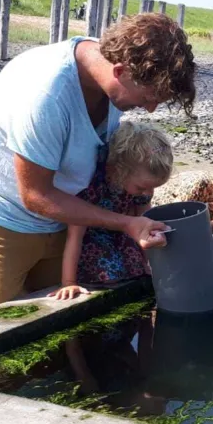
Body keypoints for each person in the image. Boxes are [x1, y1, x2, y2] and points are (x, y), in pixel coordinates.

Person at [0, 13, 196, 314]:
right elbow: (36, 196)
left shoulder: (107, 71)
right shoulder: (46, 96)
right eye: (149, 96)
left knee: (55, 328)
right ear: (120, 71)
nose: (151, 107)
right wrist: (127, 223)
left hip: (61, 219)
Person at [48, 121, 174, 301]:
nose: (147, 193)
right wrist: (68, 282)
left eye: (152, 188)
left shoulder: (140, 187)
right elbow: (74, 236)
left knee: (135, 267)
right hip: (92, 239)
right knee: (111, 267)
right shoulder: (90, 187)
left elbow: (146, 224)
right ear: (120, 170)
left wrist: (149, 264)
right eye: (142, 187)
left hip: (124, 234)